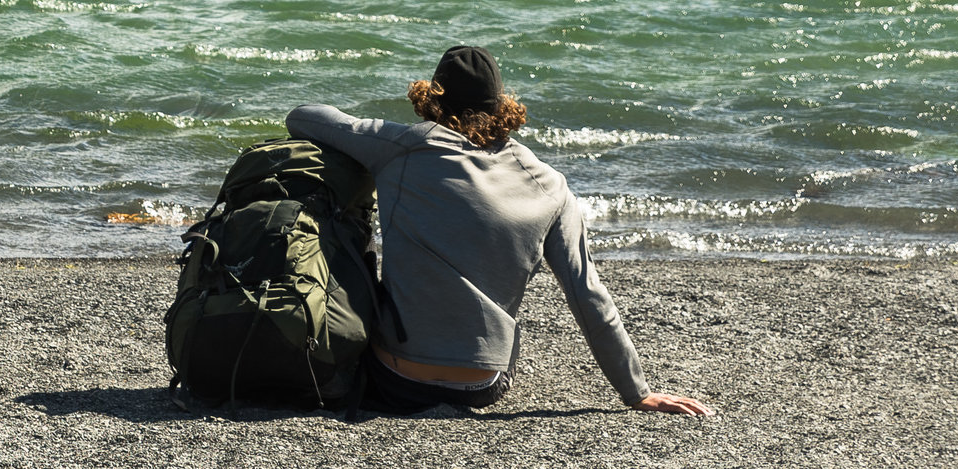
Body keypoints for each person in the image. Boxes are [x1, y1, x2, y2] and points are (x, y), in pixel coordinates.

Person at [286, 46, 713, 417]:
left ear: (432, 99)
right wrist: (637, 393)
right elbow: (588, 295)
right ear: (501, 105)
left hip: (395, 375)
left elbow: (303, 117)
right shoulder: (550, 185)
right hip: (483, 384)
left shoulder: (401, 146)